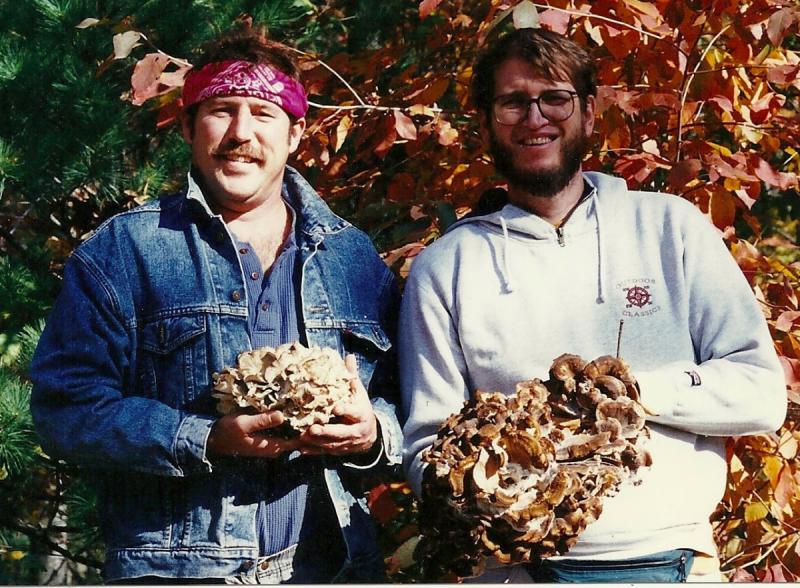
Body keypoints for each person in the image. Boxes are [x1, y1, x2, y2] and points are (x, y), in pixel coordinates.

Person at [399, 27, 786, 583]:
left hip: (673, 564)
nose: (535, 118)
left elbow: (761, 393)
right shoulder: (448, 266)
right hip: (518, 573)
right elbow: (427, 444)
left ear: (587, 111)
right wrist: (492, 496)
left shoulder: (669, 228)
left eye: (554, 97)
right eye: (512, 102)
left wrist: (630, 395)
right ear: (487, 121)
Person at [30, 26, 402, 584]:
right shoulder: (127, 250)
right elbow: (65, 410)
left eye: (263, 113)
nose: (241, 133)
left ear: (297, 133)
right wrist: (202, 437)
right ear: (187, 126)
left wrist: (373, 433)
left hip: (335, 566)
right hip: (180, 571)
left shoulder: (352, 258)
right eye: (221, 111)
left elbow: (404, 402)